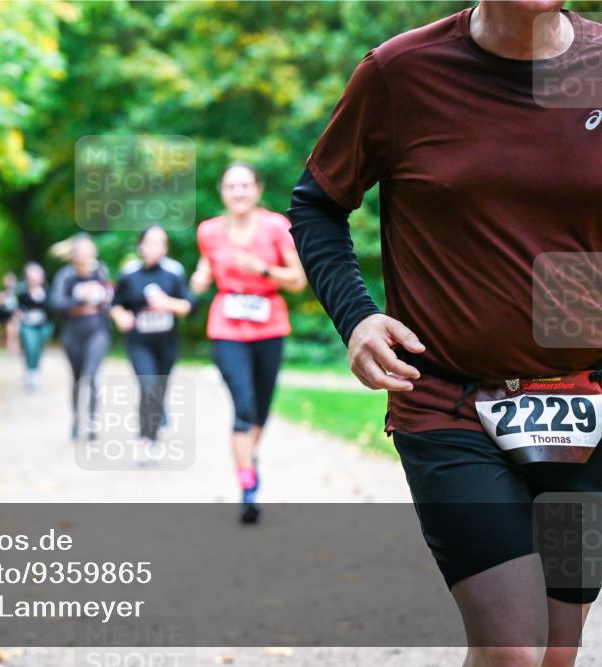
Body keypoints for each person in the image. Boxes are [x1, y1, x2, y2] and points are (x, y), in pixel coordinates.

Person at [288, 2, 601, 664]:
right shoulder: (402, 73)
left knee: (556, 653)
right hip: (447, 402)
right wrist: (357, 315)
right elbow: (318, 202)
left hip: (588, 407)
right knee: (514, 648)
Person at [191, 163, 306, 524]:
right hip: (226, 325)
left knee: (261, 409)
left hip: (269, 324)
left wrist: (262, 269)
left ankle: (246, 458)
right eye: (230, 186)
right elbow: (207, 268)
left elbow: (298, 280)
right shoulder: (209, 231)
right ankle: (247, 485)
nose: (238, 192)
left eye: (244, 185)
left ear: (257, 189)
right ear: (222, 192)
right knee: (243, 405)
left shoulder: (275, 226)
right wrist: (197, 280)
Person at [111, 226, 195, 456]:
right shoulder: (130, 274)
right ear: (141, 245)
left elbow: (188, 306)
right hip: (139, 342)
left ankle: (153, 434)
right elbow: (116, 304)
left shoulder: (173, 272)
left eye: (161, 242)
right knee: (148, 385)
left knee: (159, 388)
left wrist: (167, 303)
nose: (156, 247)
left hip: (167, 343)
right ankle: (144, 437)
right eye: (151, 242)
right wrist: (121, 316)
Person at [50, 234, 113, 441]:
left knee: (92, 375)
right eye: (82, 251)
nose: (87, 255)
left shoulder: (100, 273)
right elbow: (56, 302)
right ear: (74, 255)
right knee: (77, 380)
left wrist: (98, 302)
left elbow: (110, 300)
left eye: (90, 251)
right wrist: (79, 299)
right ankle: (77, 419)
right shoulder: (66, 276)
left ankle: (93, 423)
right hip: (73, 334)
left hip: (98, 331)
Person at [16, 262, 53, 392]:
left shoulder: (47, 291)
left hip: (42, 325)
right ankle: (30, 373)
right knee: (30, 347)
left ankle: (35, 371)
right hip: (27, 325)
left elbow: (51, 310)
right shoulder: (22, 291)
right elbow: (17, 308)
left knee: (38, 349)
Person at [0, 272, 19, 354]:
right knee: (8, 331)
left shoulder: (17, 291)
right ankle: (10, 348)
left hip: (14, 315)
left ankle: (13, 348)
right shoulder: (0, 291)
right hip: (4, 315)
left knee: (14, 332)